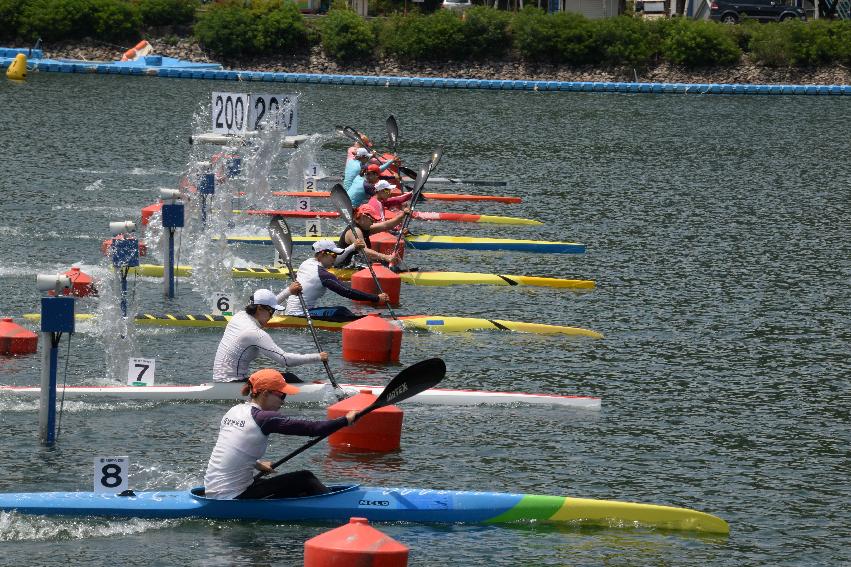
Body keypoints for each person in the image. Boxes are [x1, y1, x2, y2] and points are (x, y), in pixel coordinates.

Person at [204, 368, 358, 500]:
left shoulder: (234, 411)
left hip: (212, 489)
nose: (283, 401)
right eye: (281, 395)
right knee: (306, 478)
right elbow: (313, 429)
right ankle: (335, 507)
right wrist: (345, 420)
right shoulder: (265, 418)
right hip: (232, 496)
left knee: (295, 486)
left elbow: (231, 448)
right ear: (264, 393)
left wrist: (257, 464)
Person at [212, 287, 329, 382]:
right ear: (259, 309)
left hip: (220, 380)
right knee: (288, 378)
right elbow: (286, 360)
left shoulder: (239, 316)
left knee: (278, 376)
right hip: (232, 384)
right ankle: (311, 389)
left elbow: (267, 304)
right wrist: (318, 357)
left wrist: (289, 291)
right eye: (272, 312)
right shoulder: (255, 333)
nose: (272, 316)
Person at [284, 240, 389, 321]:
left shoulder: (306, 263)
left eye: (336, 255)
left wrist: (352, 247)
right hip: (299, 315)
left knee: (340, 311)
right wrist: (376, 298)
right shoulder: (322, 274)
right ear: (322, 254)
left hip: (294, 311)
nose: (335, 259)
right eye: (333, 255)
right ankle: (368, 322)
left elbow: (337, 260)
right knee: (341, 311)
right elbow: (347, 292)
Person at [335, 203, 409, 268]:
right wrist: (386, 257)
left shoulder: (364, 226)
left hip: (355, 263)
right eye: (372, 219)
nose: (373, 222)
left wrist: (403, 215)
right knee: (384, 264)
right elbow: (365, 251)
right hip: (343, 267)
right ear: (363, 217)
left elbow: (386, 225)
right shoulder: (355, 231)